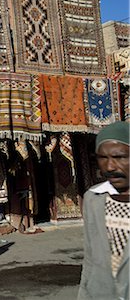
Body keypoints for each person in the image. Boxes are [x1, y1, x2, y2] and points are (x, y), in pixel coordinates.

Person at [78, 121, 129, 300]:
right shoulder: (93, 199)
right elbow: (90, 258)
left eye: (120, 157)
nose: (110, 167)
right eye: (102, 158)